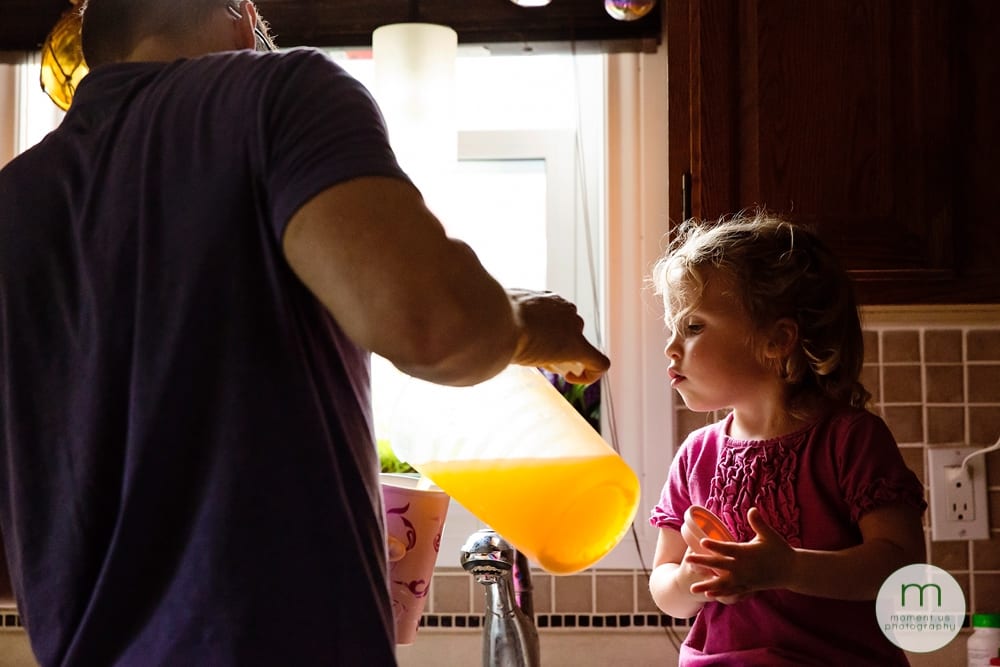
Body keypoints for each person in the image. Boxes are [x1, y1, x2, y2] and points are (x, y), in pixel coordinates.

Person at [0, 1, 610, 665]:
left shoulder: (16, 201)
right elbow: (431, 325)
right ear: (239, 11)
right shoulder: (278, 93)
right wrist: (527, 326)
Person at [647, 213, 926, 665]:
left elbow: (901, 567)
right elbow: (667, 590)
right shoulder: (695, 456)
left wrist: (789, 568)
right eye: (672, 328)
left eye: (694, 326)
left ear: (777, 340)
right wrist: (688, 576)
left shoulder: (850, 441)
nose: (671, 346)